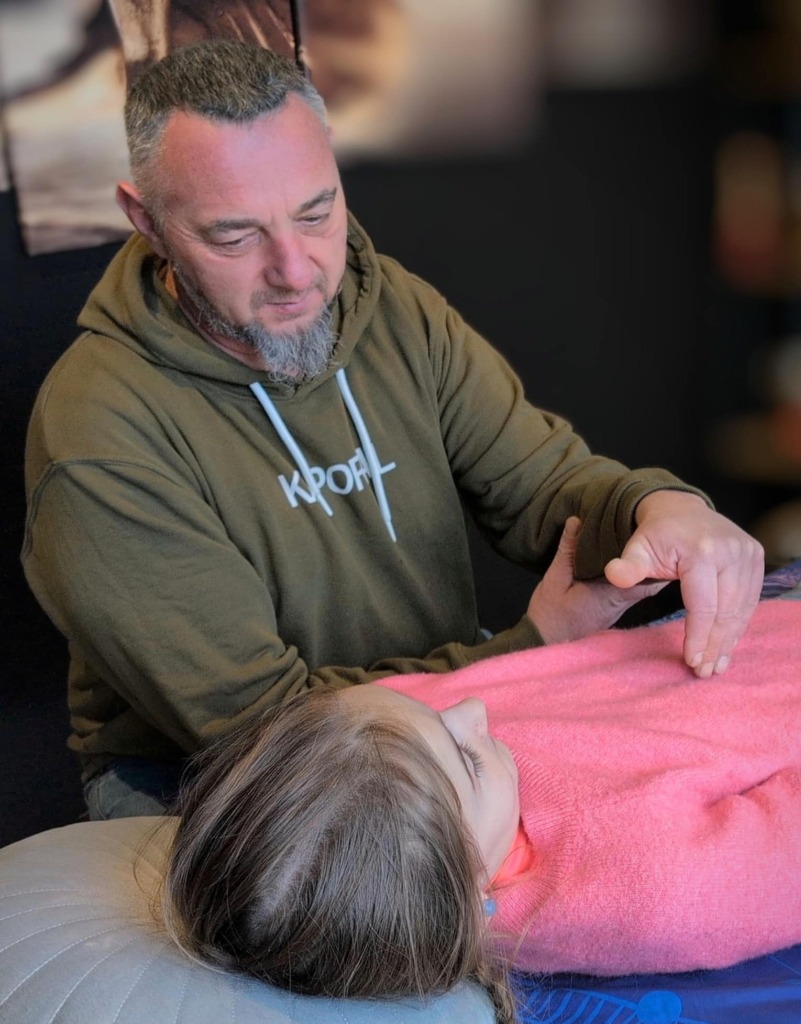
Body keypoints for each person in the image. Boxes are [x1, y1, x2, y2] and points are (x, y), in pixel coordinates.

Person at [23, 39, 764, 821]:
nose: (296, 271)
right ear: (146, 220)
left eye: (316, 212)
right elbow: (262, 727)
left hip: (455, 720)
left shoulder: (391, 310)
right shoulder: (97, 429)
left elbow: (545, 488)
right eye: (235, 236)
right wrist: (530, 651)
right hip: (219, 782)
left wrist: (658, 512)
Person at [162, 591, 801, 1022]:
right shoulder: (652, 889)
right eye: (467, 759)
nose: (472, 708)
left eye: (430, 706)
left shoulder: (382, 747)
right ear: (467, 891)